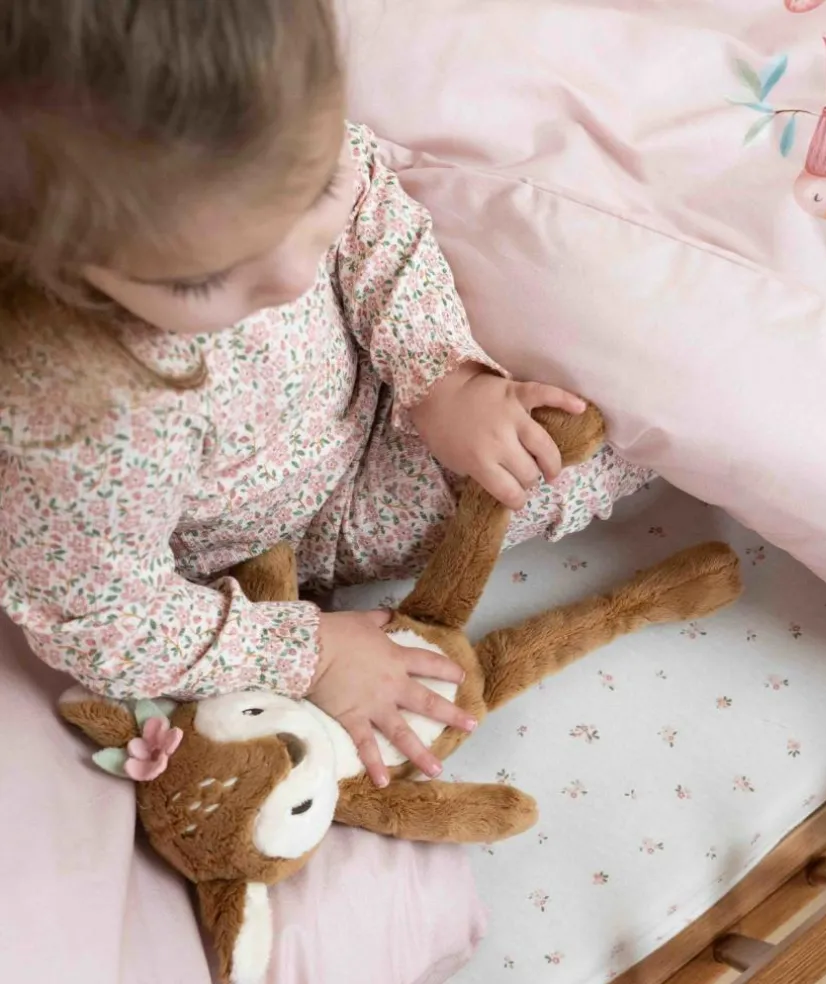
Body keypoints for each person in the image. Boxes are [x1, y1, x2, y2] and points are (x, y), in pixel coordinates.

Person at [0, 1, 649, 787]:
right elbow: (106, 620)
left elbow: (371, 205)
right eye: (203, 279)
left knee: (599, 382)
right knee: (561, 468)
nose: (293, 274)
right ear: (48, 261)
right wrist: (310, 651)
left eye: (314, 194)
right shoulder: (79, 420)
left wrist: (442, 376)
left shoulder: (269, 129)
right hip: (300, 532)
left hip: (375, 394)